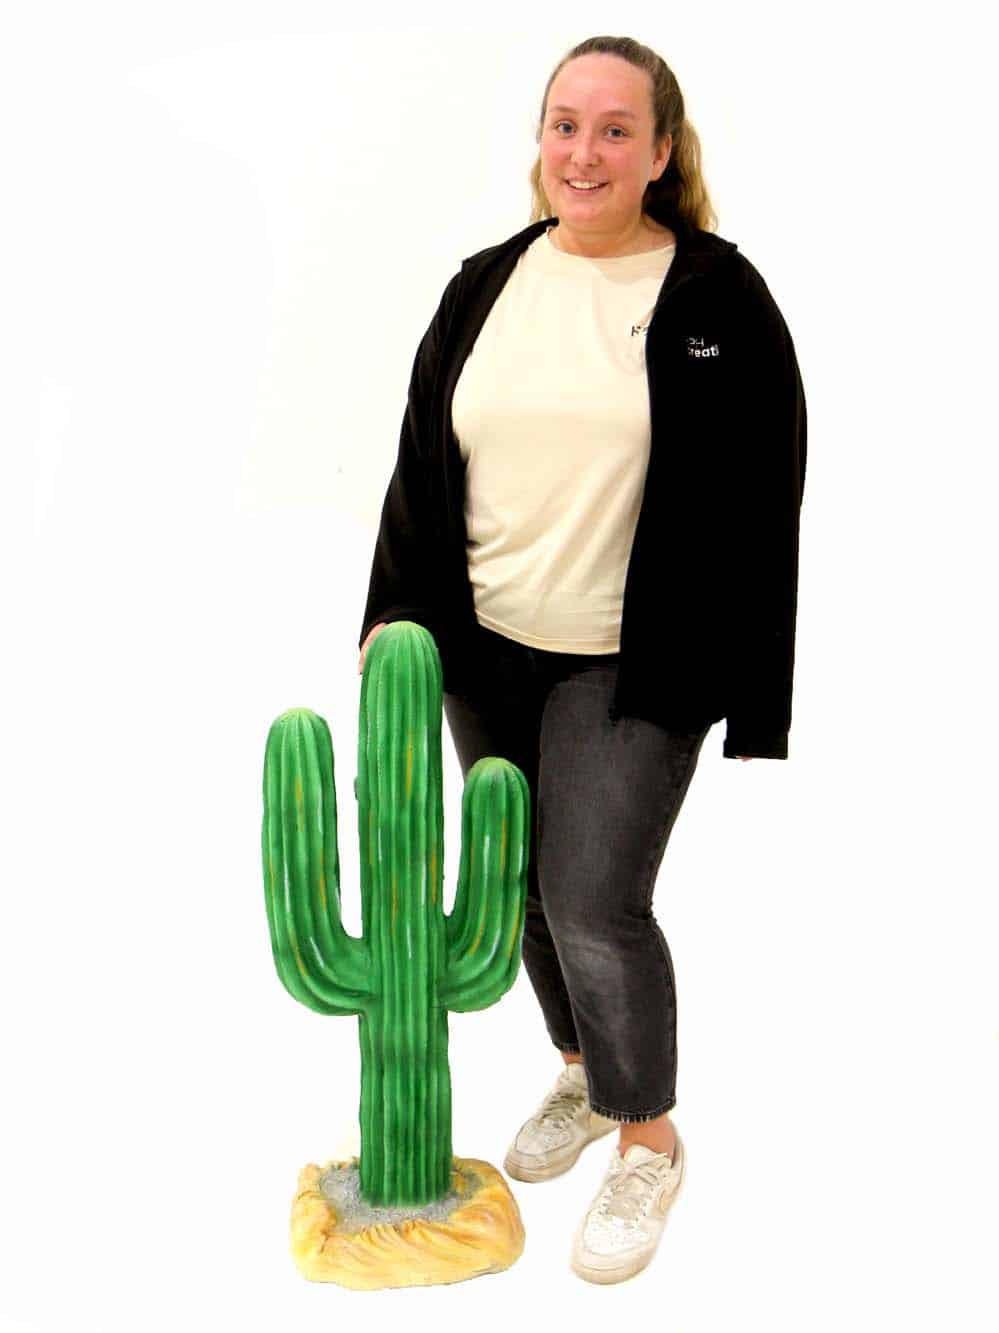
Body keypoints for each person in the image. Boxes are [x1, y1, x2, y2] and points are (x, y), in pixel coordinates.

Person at [357, 34, 806, 1284]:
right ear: (542, 140)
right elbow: (419, 463)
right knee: (517, 893)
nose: (586, 151)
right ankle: (581, 1073)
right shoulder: (486, 284)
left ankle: (648, 1136)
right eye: (567, 124)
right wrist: (391, 616)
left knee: (594, 899)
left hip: (634, 658)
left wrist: (754, 695)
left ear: (661, 152)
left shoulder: (718, 297)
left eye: (616, 129)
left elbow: (768, 496)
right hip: (484, 645)